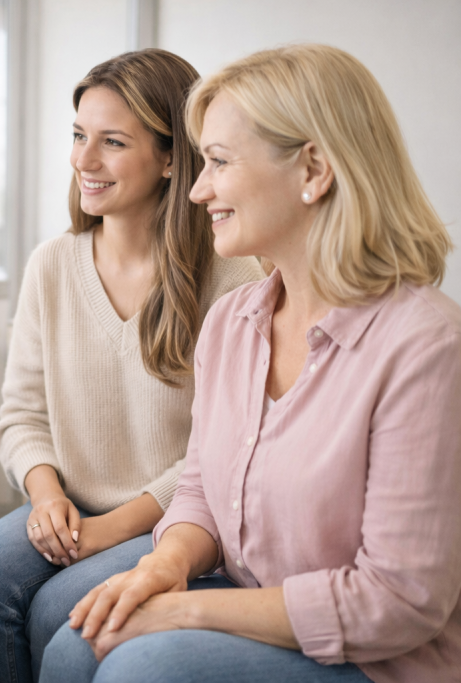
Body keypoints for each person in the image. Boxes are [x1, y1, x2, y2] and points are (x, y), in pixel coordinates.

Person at [40, 44, 461, 683]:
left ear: (313, 171)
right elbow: (203, 490)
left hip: (382, 659)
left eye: (218, 162)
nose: (199, 187)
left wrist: (186, 613)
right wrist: (164, 565)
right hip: (253, 609)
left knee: (144, 668)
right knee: (76, 640)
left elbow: (396, 603)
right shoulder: (234, 322)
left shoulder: (425, 347)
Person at [0, 49, 263, 683]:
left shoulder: (231, 277)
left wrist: (109, 528)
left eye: (112, 142)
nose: (83, 160)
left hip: (173, 520)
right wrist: (46, 494)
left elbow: (219, 452)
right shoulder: (53, 264)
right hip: (70, 506)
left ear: (174, 158)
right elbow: (21, 415)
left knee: (62, 613)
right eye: (79, 136)